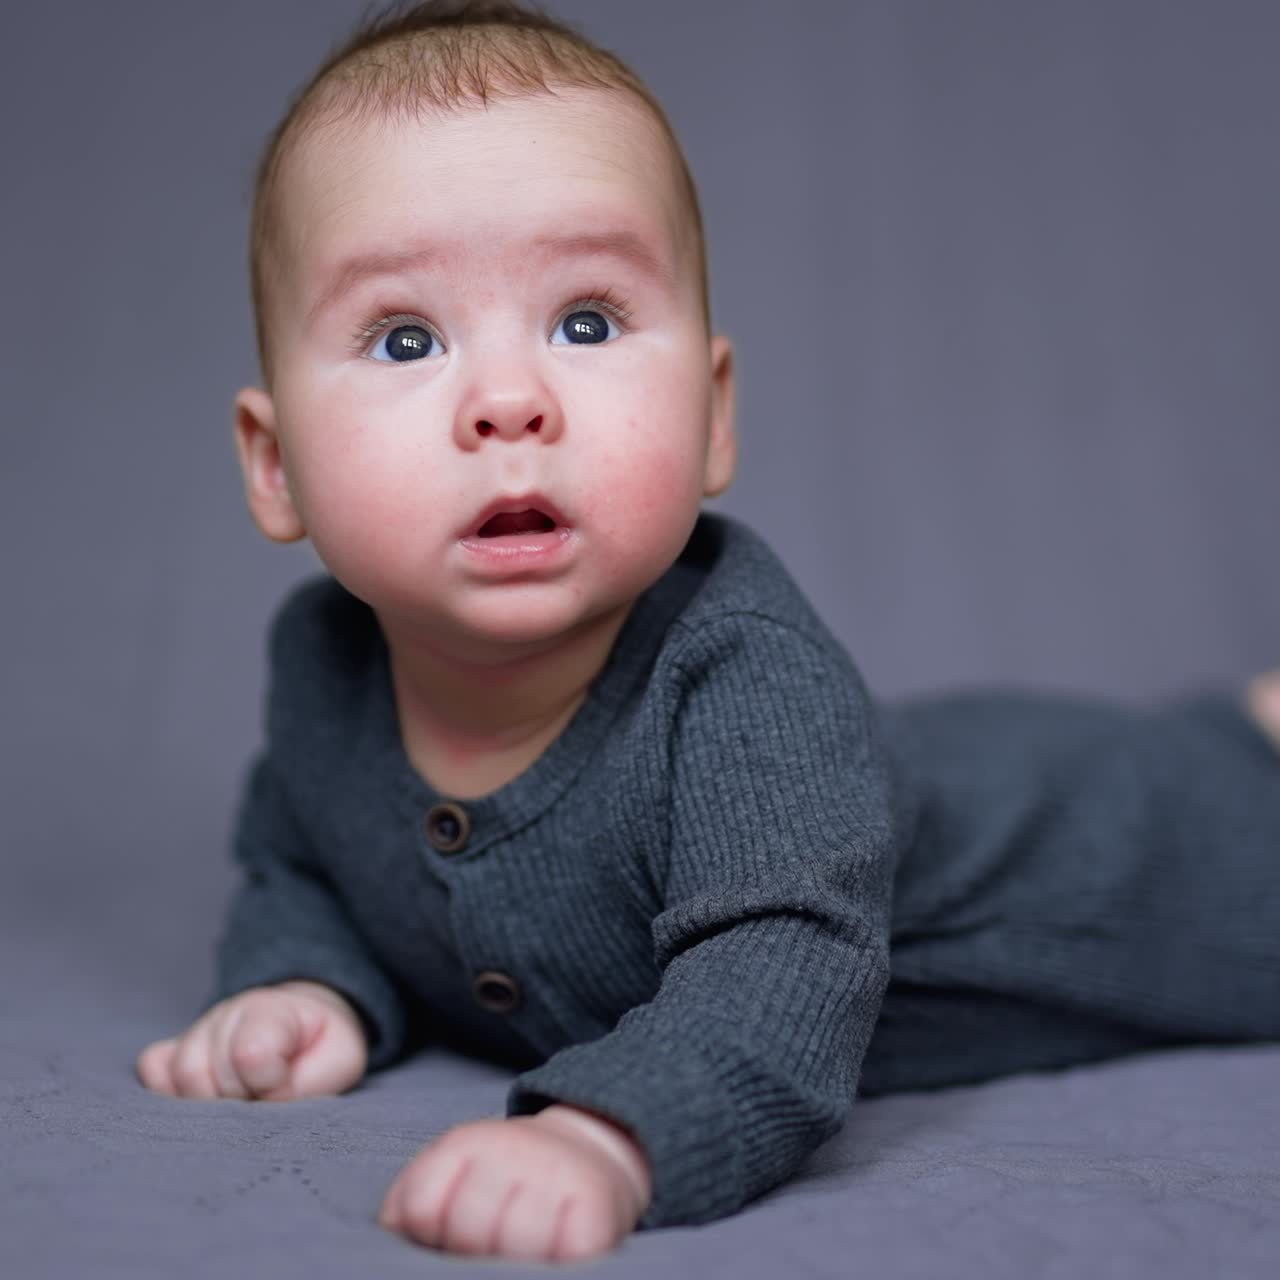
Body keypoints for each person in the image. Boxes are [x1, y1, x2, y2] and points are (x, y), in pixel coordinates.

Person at [135, 0, 1280, 1264]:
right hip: (935, 766)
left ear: (713, 415)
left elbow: (780, 972)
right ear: (273, 462)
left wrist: (605, 1138)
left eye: (585, 321)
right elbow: (298, 863)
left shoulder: (739, 675)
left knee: (1216, 793)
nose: (508, 401)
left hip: (1140, 861)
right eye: (405, 337)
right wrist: (301, 984)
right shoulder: (323, 675)